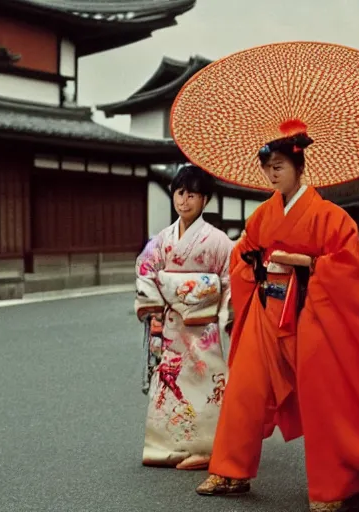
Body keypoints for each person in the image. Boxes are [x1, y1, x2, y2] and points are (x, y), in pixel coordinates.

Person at [168, 42, 359, 511]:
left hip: (313, 312)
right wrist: (255, 263)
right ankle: (231, 471)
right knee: (245, 385)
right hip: (268, 309)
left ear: (300, 167)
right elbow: (244, 254)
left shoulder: (329, 217)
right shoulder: (265, 214)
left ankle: (334, 486)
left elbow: (356, 266)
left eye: (279, 167)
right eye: (267, 168)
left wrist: (310, 265)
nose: (272, 175)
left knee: (326, 398)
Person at [134, 163, 234, 471]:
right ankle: (168, 447)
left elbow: (230, 280)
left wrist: (223, 313)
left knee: (205, 384)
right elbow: (146, 272)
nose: (184, 200)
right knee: (169, 384)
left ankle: (207, 447)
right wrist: (154, 312)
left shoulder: (219, 241)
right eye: (179, 193)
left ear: (205, 200)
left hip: (205, 329)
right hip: (172, 326)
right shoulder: (161, 240)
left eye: (192, 194)